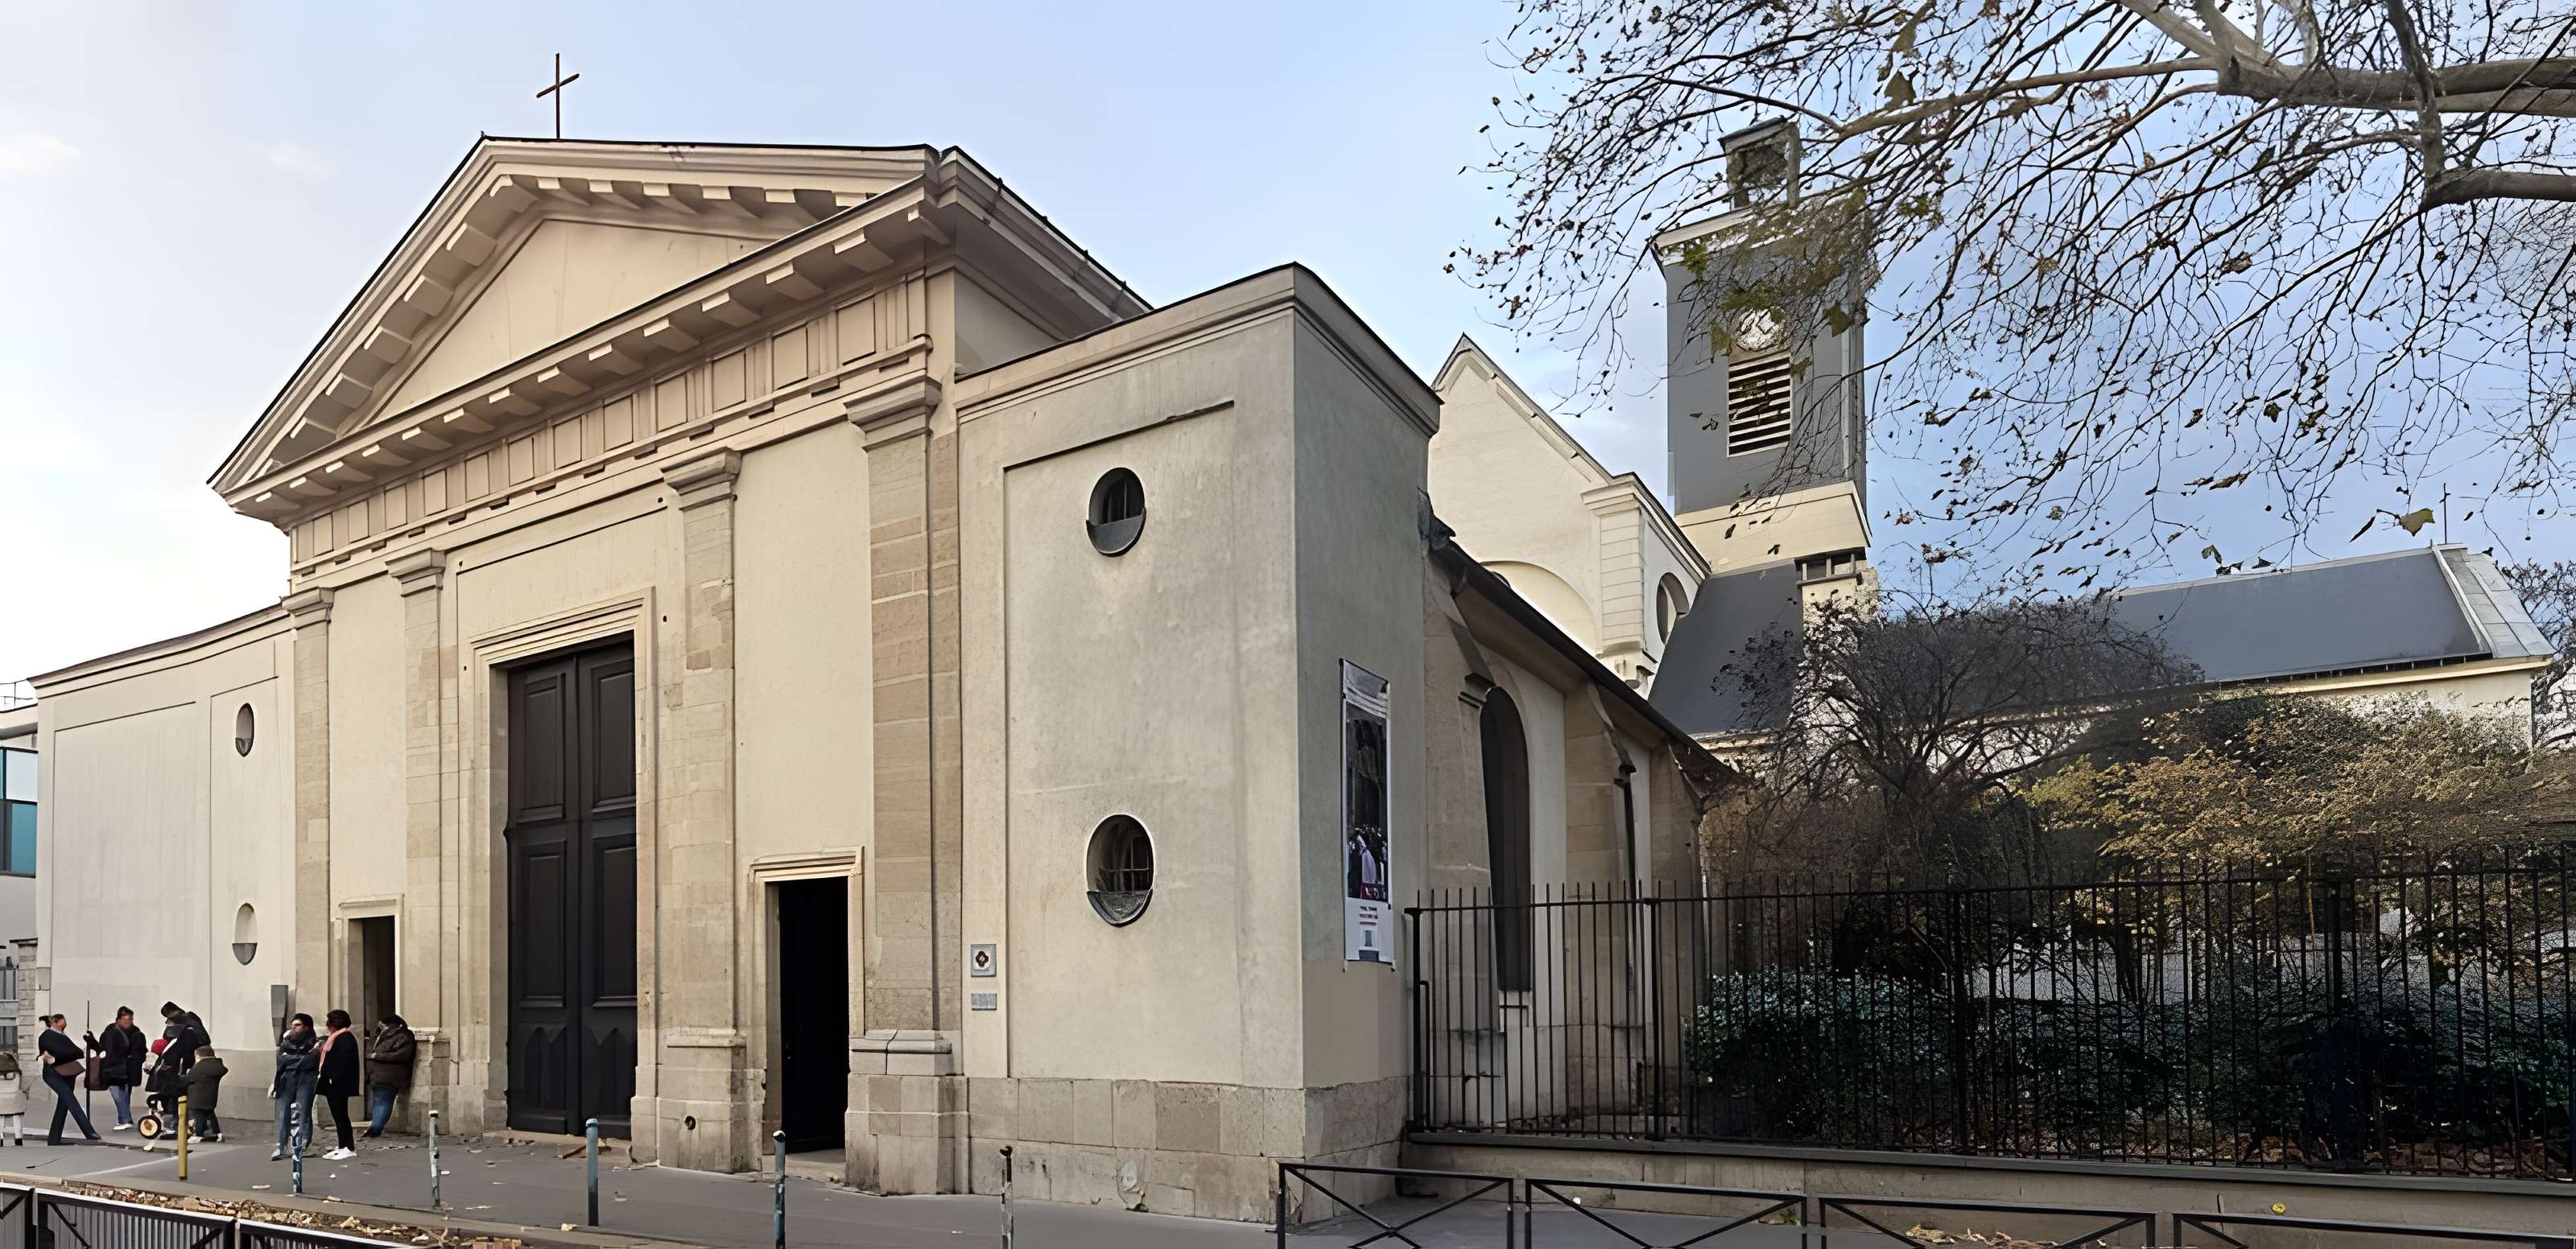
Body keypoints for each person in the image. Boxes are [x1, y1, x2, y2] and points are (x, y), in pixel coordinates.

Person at [38, 1014, 99, 1146]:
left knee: (63, 1105)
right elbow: (69, 1052)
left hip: (66, 1073)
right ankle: (89, 1132)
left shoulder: (60, 1036)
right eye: (63, 1021)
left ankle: (54, 1139)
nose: (66, 1024)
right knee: (71, 1102)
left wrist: (87, 1044)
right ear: (56, 1022)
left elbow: (74, 1052)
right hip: (54, 1074)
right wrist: (74, 1053)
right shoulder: (48, 1036)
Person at [270, 1013, 319, 1161]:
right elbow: (281, 1060)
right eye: (292, 1025)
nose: (293, 1028)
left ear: (306, 1027)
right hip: (286, 1080)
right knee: (283, 1113)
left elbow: (310, 1060)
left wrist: (291, 1060)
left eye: (297, 1025)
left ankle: (301, 1145)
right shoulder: (286, 1042)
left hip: (306, 1080)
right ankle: (282, 1145)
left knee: (303, 1111)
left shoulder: (314, 1043)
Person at [362, 1014, 417, 1139]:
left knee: (383, 1101)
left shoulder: (403, 1036)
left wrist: (377, 1056)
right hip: (376, 1075)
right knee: (378, 1101)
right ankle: (375, 1127)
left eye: (384, 1025)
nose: (381, 1027)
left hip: (390, 1075)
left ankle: (376, 1128)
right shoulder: (378, 1035)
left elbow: (402, 1055)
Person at [315, 1009, 360, 1159]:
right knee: (338, 1116)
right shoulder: (338, 1037)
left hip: (337, 1083)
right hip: (334, 1082)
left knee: (341, 1116)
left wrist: (332, 1077)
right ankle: (343, 1145)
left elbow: (342, 1061)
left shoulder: (344, 1038)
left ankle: (348, 1147)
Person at [93, 1007, 147, 1131]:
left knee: (121, 1095)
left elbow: (139, 1053)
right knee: (121, 1096)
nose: (129, 1022)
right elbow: (103, 1048)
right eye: (126, 1020)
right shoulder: (110, 1033)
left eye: (130, 1019)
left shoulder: (136, 1034)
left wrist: (132, 1062)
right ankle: (125, 1118)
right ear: (118, 1020)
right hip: (113, 1069)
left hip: (124, 1070)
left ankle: (125, 1120)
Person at [184, 1047, 228, 1143]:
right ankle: (216, 1134)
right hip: (210, 1096)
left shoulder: (199, 1067)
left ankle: (197, 1135)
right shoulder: (216, 1066)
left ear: (198, 1056)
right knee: (209, 1114)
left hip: (196, 1096)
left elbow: (188, 1079)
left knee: (197, 1116)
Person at [160, 1003, 212, 1077]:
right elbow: (167, 1036)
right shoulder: (182, 1019)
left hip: (193, 1052)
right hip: (187, 1052)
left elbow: (200, 1036)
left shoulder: (187, 1019)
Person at [0, 1051, 25, 1146]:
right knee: (17, 1118)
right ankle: (18, 1138)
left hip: (0, 1102)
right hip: (15, 1102)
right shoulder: (17, 1074)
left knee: (0, 1119)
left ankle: (1, 1139)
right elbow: (24, 1087)